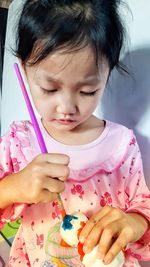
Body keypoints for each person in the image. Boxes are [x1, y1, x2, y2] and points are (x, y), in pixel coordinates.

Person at [0, 0, 149, 266]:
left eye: (87, 91)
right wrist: (12, 188)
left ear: (107, 74)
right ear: (23, 71)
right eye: (49, 88)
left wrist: (134, 222)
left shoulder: (121, 145)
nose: (67, 108)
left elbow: (142, 204)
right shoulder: (19, 142)